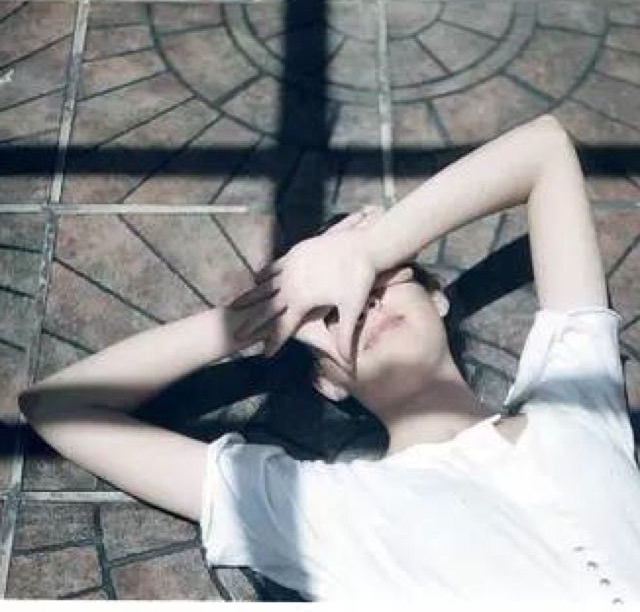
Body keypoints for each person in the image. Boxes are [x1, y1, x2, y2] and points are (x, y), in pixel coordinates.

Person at [17, 114, 639, 604]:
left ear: (435, 298)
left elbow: (545, 150)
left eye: (381, 282)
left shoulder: (575, 393)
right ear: (327, 382)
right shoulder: (326, 512)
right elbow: (57, 408)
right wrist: (257, 313)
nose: (360, 303)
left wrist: (367, 250)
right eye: (328, 313)